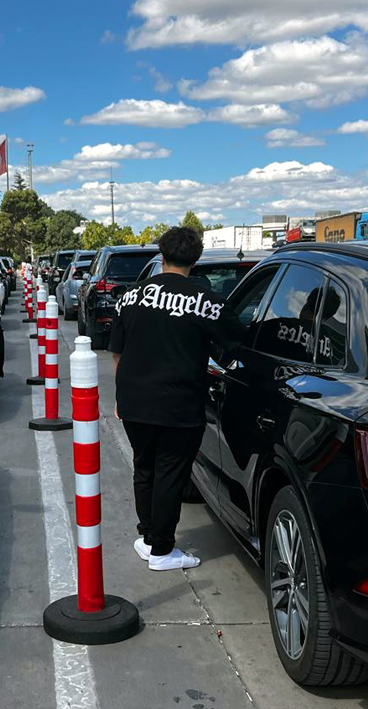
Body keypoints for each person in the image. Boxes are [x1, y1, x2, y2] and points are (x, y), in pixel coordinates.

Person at [110, 226, 244, 571]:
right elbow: (238, 344)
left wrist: (121, 395)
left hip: (134, 399)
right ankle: (161, 550)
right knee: (170, 473)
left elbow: (117, 352)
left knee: (145, 467)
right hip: (178, 404)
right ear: (195, 260)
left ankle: (147, 537)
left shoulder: (129, 297)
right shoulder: (208, 302)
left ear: (161, 255)